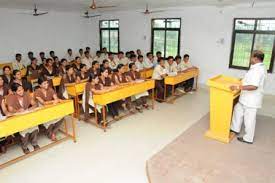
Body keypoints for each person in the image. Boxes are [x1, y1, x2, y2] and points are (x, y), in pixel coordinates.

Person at [230, 50, 267, 144]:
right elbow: (250, 79)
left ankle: (248, 138)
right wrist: (243, 80)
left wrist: (238, 86)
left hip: (251, 100)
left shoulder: (258, 70)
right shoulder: (257, 67)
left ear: (255, 58)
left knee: (249, 119)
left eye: (251, 57)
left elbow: (254, 86)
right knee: (237, 109)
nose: (249, 58)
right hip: (245, 98)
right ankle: (235, 129)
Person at [6, 83, 39, 154]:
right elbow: (10, 109)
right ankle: (24, 146)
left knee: (34, 126)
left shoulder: (26, 94)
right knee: (24, 130)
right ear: (14, 92)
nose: (22, 91)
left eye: (22, 89)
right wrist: (17, 110)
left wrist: (30, 109)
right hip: (18, 116)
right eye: (19, 91)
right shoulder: (10, 97)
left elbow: (35, 104)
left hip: (27, 114)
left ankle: (34, 143)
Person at [34, 76, 63, 141]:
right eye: (44, 83)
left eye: (47, 83)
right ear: (40, 85)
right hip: (41, 110)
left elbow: (56, 98)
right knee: (49, 120)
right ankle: (51, 134)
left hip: (50, 108)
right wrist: (53, 101)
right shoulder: (37, 92)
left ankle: (53, 133)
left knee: (62, 116)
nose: (47, 84)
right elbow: (43, 103)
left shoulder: (50, 89)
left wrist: (56, 100)